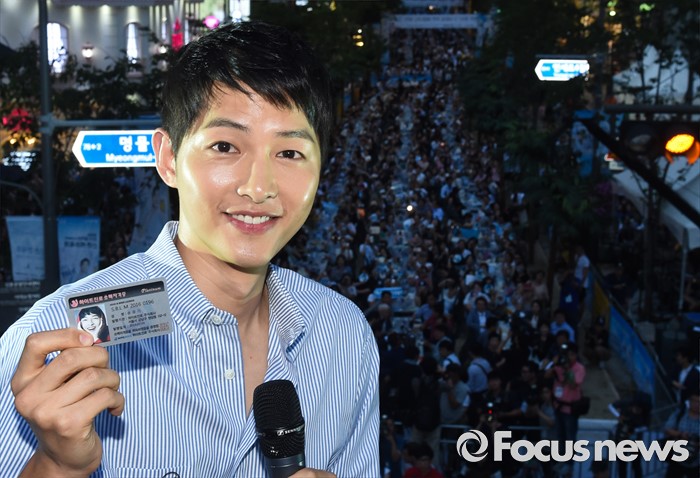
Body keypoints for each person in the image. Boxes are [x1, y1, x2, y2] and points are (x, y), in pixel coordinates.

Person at [0, 21, 379, 478]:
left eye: (289, 153)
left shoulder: (343, 335)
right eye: (225, 146)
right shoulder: (53, 342)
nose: (259, 187)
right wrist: (56, 465)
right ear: (168, 159)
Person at [663, 391, 700, 477]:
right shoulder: (680, 414)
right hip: (677, 458)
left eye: (699, 402)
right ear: (690, 401)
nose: (697, 404)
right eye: (695, 401)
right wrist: (680, 435)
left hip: (697, 461)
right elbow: (667, 428)